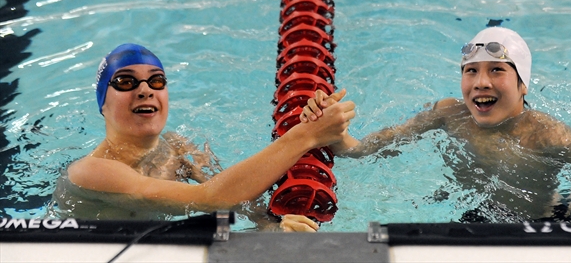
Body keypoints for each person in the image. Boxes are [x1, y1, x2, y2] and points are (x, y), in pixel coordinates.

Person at [301, 27, 571, 222]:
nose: (481, 82)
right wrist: (335, 135)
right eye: (471, 71)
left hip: (538, 222)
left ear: (523, 85)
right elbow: (372, 149)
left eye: (497, 70)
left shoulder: (550, 135)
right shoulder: (448, 114)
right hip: (476, 215)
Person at [52, 43, 355, 232]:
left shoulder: (176, 146)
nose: (145, 90)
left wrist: (272, 229)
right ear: (102, 103)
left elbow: (240, 200)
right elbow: (212, 197)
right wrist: (305, 135)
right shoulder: (92, 171)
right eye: (125, 81)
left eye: (156, 81)